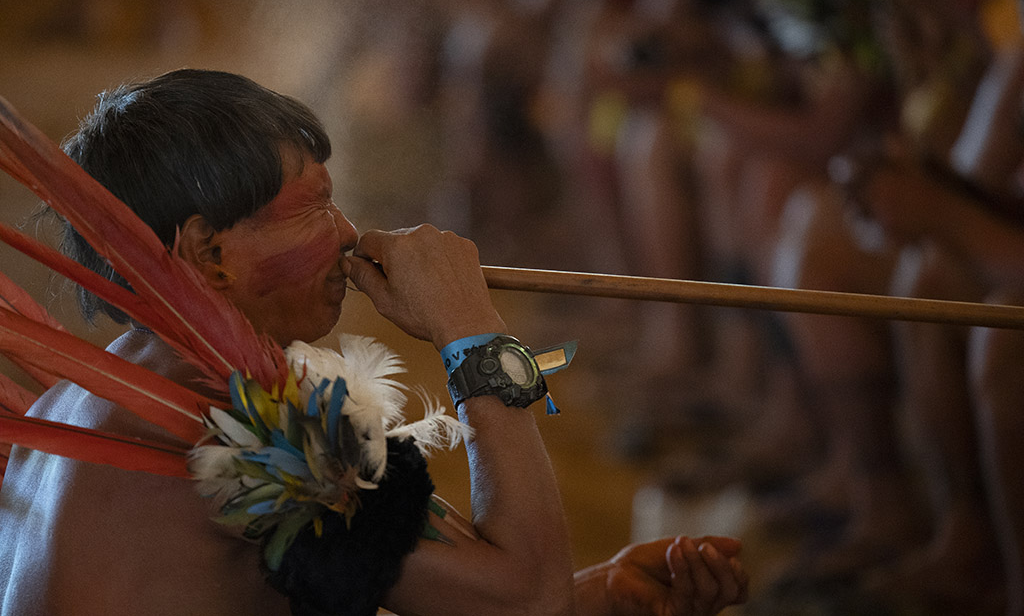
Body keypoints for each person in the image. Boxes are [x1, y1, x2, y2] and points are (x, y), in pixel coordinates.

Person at [0, 68, 748, 615]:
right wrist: (470, 331)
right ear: (208, 253)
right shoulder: (242, 430)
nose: (350, 233)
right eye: (317, 207)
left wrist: (595, 596)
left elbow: (480, 590)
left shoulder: (84, 403)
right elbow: (525, 600)